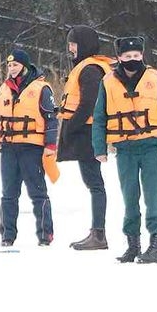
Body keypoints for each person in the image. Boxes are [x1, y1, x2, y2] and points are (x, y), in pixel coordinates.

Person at [92, 36, 157, 264]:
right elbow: (99, 118)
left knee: (153, 196)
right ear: (119, 58)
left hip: (151, 146)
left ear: (142, 56)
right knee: (129, 197)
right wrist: (99, 147)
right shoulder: (108, 82)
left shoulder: (156, 78)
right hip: (124, 149)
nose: (132, 59)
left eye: (136, 56)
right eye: (127, 56)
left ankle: (155, 245)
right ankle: (133, 245)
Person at [0, 48, 58, 247]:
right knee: (8, 195)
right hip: (8, 148)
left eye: (15, 65)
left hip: (32, 148)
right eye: (9, 65)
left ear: (24, 66)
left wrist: (50, 145)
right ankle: (7, 236)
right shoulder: (3, 89)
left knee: (38, 193)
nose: (12, 69)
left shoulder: (42, 88)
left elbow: (51, 120)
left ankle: (45, 235)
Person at [56, 25, 113, 250]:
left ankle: (98, 234)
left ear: (83, 44)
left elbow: (89, 103)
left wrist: (71, 127)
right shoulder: (86, 67)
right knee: (93, 182)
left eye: (73, 43)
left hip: (87, 132)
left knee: (94, 183)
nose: (70, 48)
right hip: (85, 131)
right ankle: (96, 232)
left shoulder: (90, 69)